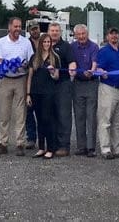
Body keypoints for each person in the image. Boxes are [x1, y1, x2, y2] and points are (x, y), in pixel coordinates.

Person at [0, 17, 34, 156]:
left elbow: (30, 60)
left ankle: (20, 143)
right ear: (9, 27)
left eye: (19, 26)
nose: (18, 29)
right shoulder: (1, 42)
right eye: (15, 26)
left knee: (20, 112)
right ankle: (2, 142)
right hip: (6, 79)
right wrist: (9, 64)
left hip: (21, 79)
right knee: (5, 112)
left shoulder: (26, 42)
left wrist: (22, 64)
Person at [95, 27, 119, 160]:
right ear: (107, 36)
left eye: (116, 34)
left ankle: (117, 148)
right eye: (112, 34)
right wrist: (101, 72)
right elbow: (98, 67)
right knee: (105, 119)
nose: (114, 36)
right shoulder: (103, 51)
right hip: (108, 88)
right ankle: (105, 148)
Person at [26, 33, 60, 159]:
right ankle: (41, 147)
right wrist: (28, 94)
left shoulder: (54, 57)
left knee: (47, 119)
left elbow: (57, 76)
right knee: (39, 120)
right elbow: (30, 76)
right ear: (40, 43)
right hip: (35, 92)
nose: (46, 44)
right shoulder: (34, 57)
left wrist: (52, 72)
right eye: (44, 42)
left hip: (48, 92)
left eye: (48, 42)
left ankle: (50, 148)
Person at [70, 24, 99, 157]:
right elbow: (71, 62)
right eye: (79, 34)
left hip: (91, 83)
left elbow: (94, 62)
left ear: (87, 34)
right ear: (75, 35)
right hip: (77, 83)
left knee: (91, 115)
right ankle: (81, 146)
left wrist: (92, 71)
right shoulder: (72, 47)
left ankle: (91, 147)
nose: (81, 36)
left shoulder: (94, 46)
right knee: (79, 115)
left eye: (84, 34)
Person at [48, 22, 76, 156]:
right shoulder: (44, 45)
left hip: (63, 84)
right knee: (50, 115)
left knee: (64, 115)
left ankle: (64, 146)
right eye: (52, 30)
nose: (54, 33)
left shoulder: (66, 47)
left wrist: (72, 68)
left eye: (57, 31)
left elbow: (71, 61)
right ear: (48, 31)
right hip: (47, 85)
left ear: (60, 32)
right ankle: (52, 144)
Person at [23, 20, 41, 149]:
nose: (35, 31)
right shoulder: (25, 43)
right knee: (28, 111)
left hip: (42, 79)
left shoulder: (45, 41)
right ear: (29, 31)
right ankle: (31, 137)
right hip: (28, 79)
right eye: (32, 29)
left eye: (36, 28)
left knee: (42, 111)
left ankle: (43, 137)